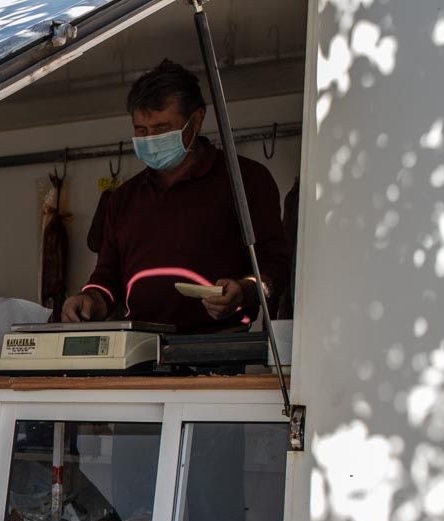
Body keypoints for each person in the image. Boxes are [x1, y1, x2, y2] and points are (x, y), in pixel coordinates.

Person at [63, 59, 289, 333]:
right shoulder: (123, 198)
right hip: (141, 348)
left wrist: (244, 290)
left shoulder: (246, 180)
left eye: (161, 129)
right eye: (141, 131)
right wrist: (89, 299)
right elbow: (106, 277)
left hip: (220, 348)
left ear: (196, 121)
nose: (151, 139)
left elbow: (276, 266)